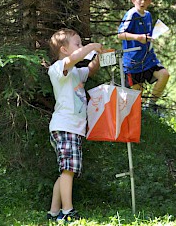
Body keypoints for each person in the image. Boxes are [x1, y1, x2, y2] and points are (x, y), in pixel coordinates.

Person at [46, 28, 102, 222]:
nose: (81, 48)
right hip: (64, 126)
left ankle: (54, 212)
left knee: (66, 170)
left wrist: (98, 56)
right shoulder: (58, 68)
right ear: (64, 49)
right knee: (68, 169)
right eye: (77, 44)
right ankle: (68, 211)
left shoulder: (76, 73)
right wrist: (90, 47)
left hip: (73, 128)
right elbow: (74, 59)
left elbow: (92, 70)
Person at [117, 0, 170, 111]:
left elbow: (146, 34)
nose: (143, 2)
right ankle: (144, 117)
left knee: (164, 75)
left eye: (146, 0)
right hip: (133, 62)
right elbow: (120, 35)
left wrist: (152, 36)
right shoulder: (131, 15)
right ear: (133, 0)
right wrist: (137, 38)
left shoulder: (148, 15)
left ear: (150, 1)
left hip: (148, 59)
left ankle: (151, 106)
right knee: (137, 98)